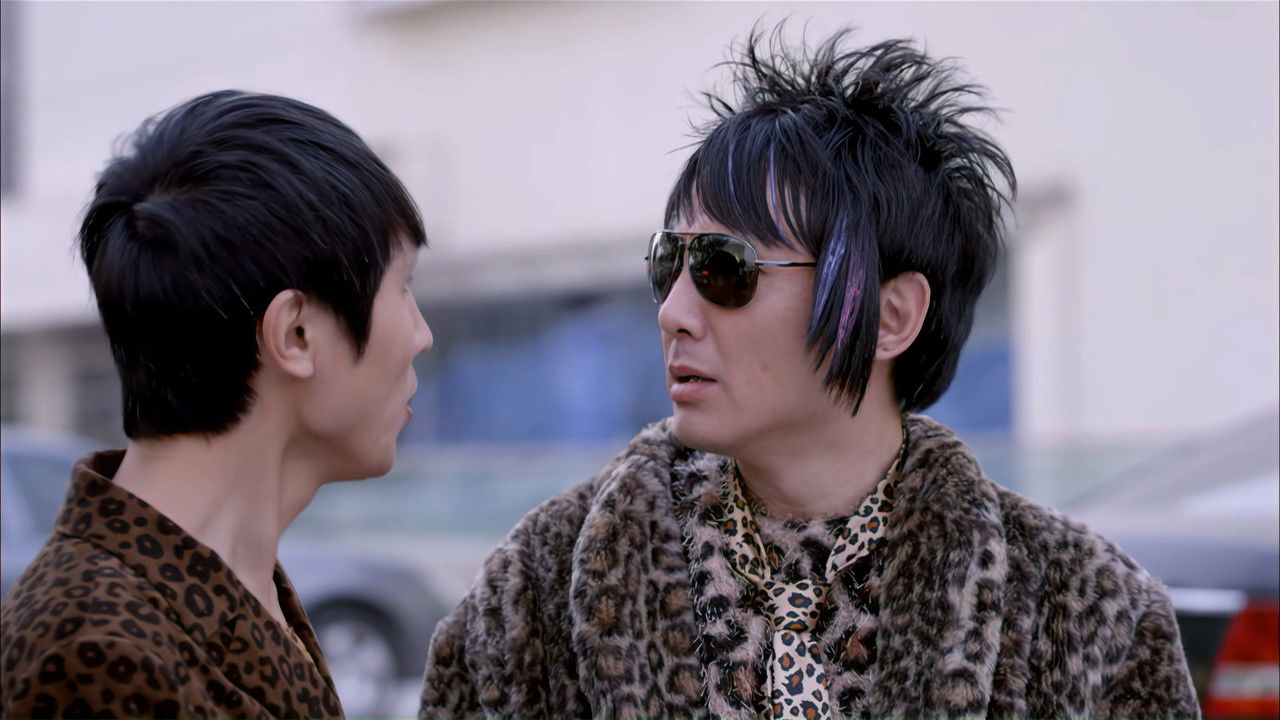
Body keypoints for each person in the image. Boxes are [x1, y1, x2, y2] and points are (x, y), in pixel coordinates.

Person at [418, 25, 1198, 720]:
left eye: (724, 266)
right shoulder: (541, 589)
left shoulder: (1084, 611)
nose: (674, 312)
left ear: (891, 316)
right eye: (667, 264)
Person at [0, 90, 432, 718]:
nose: (421, 334)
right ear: (296, 334)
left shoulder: (216, 588)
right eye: (404, 286)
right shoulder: (97, 654)